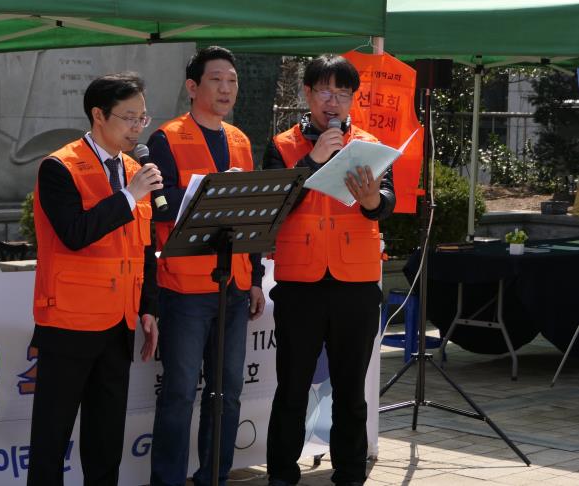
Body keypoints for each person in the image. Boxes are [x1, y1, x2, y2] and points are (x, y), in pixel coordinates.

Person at [262, 54, 396, 486]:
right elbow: (272, 208)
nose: (332, 102)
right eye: (324, 91)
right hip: (300, 285)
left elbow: (385, 203)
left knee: (351, 389)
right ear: (307, 94)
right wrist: (312, 161)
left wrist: (374, 200)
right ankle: (282, 473)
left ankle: (351, 473)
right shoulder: (282, 146)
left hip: (355, 284)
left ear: (353, 99)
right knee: (292, 387)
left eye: (342, 93)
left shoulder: (369, 144)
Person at [27, 72, 162, 485]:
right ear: (98, 115)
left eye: (142, 118)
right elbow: (75, 233)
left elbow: (144, 248)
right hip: (69, 322)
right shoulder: (60, 167)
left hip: (119, 323)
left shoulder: (135, 170)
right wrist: (128, 196)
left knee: (106, 442)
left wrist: (149, 307)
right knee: (51, 440)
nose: (138, 128)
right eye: (129, 118)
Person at [148, 46, 266, 486]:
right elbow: (156, 205)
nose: (226, 88)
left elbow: (253, 213)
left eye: (232, 80)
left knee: (228, 393)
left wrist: (256, 278)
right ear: (192, 86)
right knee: (179, 394)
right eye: (216, 79)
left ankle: (213, 476)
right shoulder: (166, 138)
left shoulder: (240, 140)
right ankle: (168, 480)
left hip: (234, 287)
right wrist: (213, 191)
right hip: (184, 288)